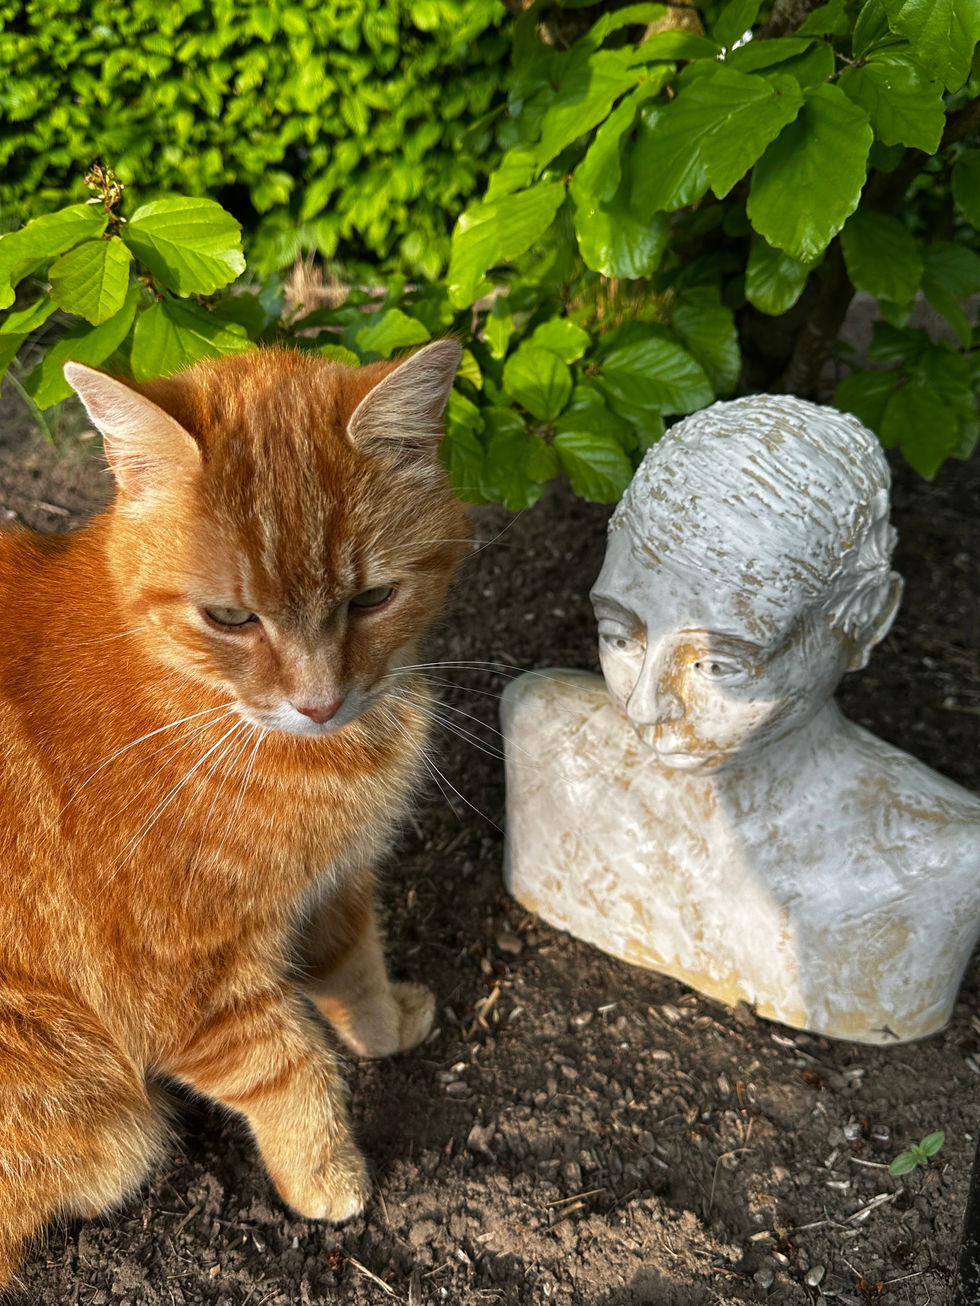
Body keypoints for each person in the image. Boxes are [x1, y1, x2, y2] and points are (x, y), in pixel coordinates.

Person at [502, 396, 980, 1043]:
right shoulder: (550, 744)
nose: (644, 705)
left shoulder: (941, 863)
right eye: (621, 633)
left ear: (865, 618)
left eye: (719, 665)